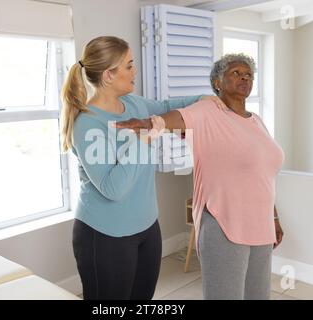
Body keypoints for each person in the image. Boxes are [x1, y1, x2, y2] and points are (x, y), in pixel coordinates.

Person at [115, 53, 285, 300]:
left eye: (248, 74)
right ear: (217, 82)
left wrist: (274, 217)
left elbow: (263, 176)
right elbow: (176, 118)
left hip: (261, 224)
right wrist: (150, 123)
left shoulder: (256, 121)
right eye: (236, 73)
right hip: (223, 222)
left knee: (258, 296)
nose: (244, 77)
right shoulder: (208, 111)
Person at [60, 36, 217, 300]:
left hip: (147, 229)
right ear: (109, 75)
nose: (135, 72)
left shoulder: (134, 105)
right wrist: (143, 138)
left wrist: (206, 100)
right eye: (129, 66)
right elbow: (114, 188)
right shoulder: (87, 124)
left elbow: (167, 107)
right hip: (105, 236)